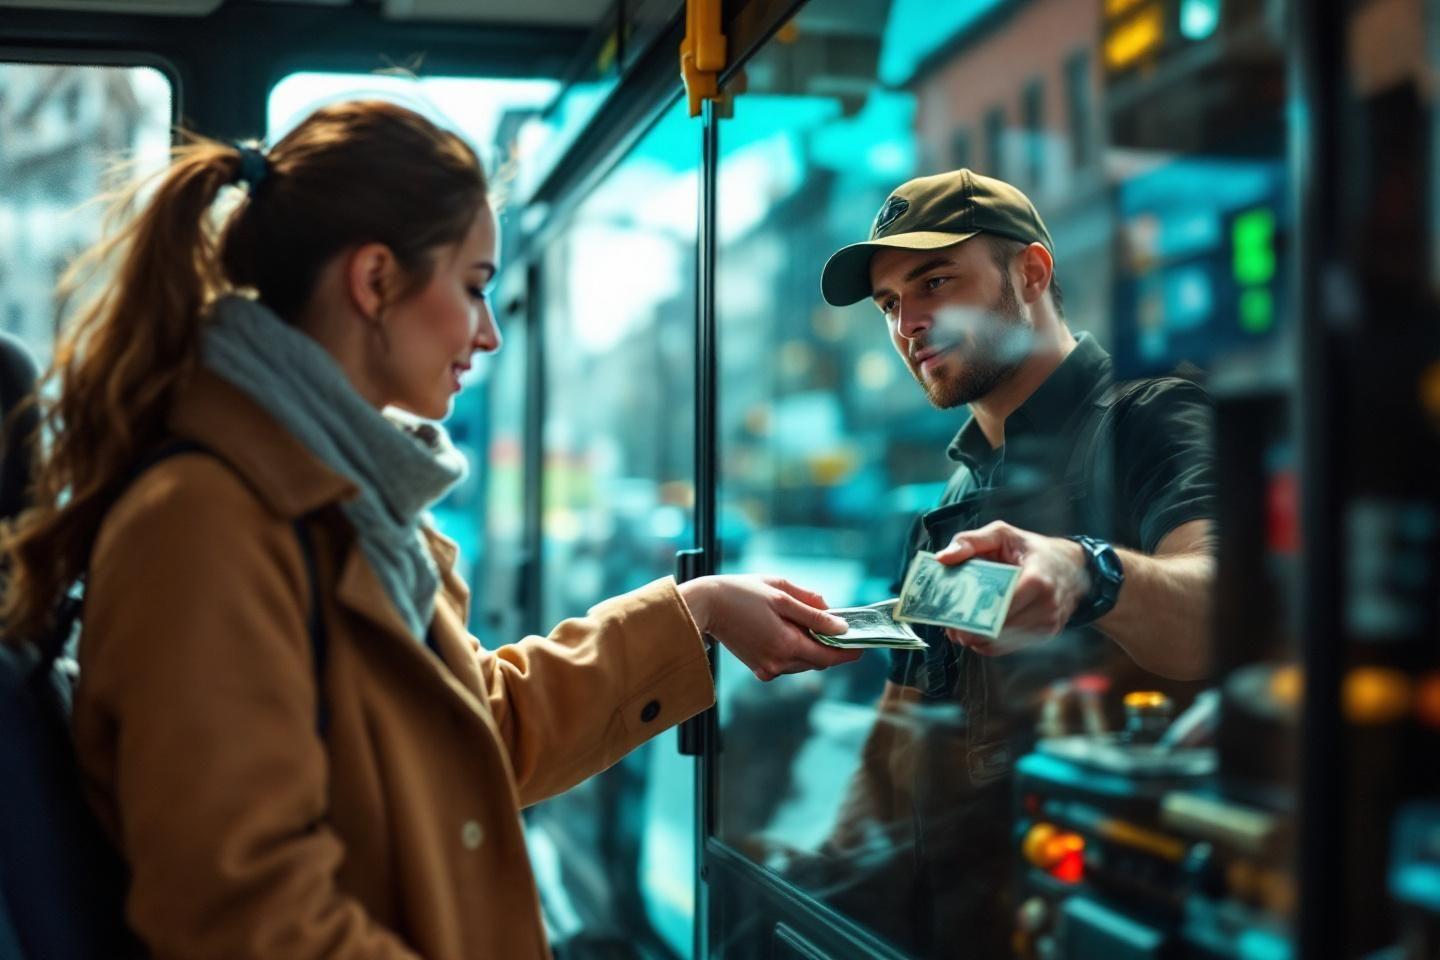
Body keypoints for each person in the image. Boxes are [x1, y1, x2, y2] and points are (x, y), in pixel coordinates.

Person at [0, 100, 860, 959]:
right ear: (375, 281)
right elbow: (246, 918)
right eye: (475, 286)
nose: (490, 333)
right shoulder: (204, 526)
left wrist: (697, 612)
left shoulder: (337, 501)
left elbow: (469, 731)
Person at [798, 168, 1218, 957]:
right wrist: (818, 884)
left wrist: (1089, 572)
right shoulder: (950, 503)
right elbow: (894, 749)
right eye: (889, 303)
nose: (908, 324)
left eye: (935, 282)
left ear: (1031, 273)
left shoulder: (1152, 416)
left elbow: (1220, 606)